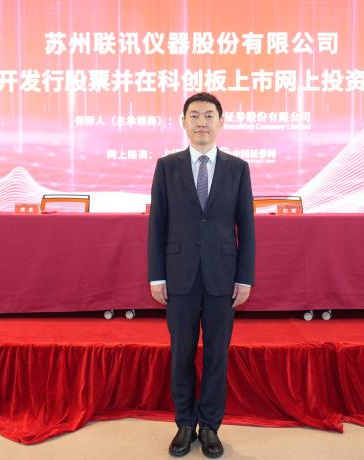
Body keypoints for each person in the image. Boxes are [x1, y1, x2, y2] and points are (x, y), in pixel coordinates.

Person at [148, 92, 255, 458]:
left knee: (216, 356)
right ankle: (184, 423)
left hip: (223, 277)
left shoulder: (238, 168)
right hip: (179, 276)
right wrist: (156, 276)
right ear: (184, 122)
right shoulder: (167, 167)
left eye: (209, 115)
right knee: (181, 353)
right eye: (194, 115)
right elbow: (157, 225)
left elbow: (246, 227)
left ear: (221, 122)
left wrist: (245, 277)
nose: (202, 122)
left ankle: (209, 426)